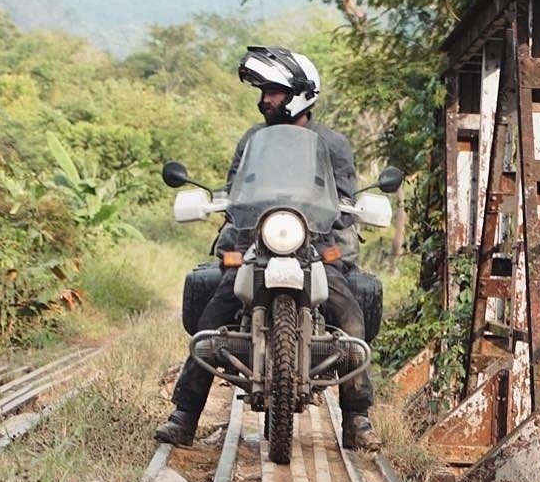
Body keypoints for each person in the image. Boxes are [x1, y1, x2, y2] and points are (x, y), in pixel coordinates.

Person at [155, 45, 383, 452]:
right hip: (257, 244)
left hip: (316, 245)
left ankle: (357, 419)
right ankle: (184, 416)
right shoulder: (252, 140)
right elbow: (235, 193)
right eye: (264, 92)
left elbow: (344, 200)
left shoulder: (332, 144)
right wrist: (219, 207)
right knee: (214, 317)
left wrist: (351, 215)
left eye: (273, 92)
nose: (265, 100)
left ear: (298, 93)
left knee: (349, 319)